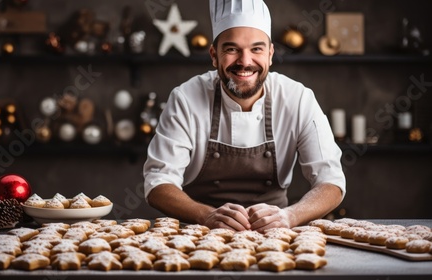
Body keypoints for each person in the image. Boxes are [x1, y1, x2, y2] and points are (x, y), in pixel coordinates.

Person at [143, 0, 346, 232]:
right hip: (199, 235)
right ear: (214, 55)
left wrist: (290, 216)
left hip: (275, 235)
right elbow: (158, 183)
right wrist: (207, 215)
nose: (245, 62)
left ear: (270, 54)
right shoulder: (185, 99)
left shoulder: (298, 98)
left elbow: (331, 182)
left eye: (256, 49)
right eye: (231, 49)